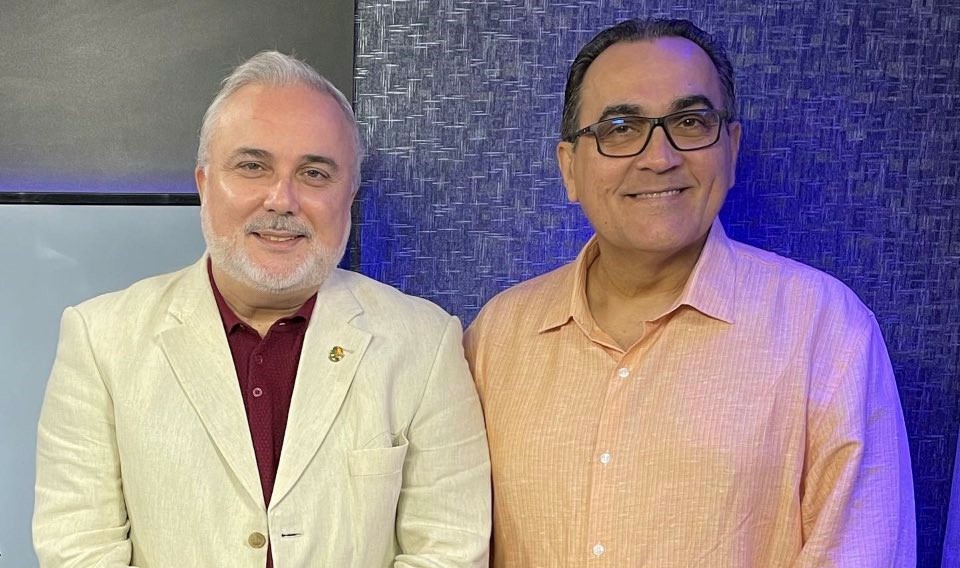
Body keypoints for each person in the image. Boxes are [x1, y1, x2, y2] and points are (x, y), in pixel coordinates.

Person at [465, 18, 915, 566]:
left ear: (731, 149)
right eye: (620, 127)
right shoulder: (497, 337)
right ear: (570, 168)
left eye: (691, 121)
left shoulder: (826, 329)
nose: (660, 157)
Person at [33, 51, 491, 567]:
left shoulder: (425, 342)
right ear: (204, 184)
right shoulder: (100, 339)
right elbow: (79, 549)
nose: (282, 199)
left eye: (315, 173)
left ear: (350, 196)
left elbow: (450, 549)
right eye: (253, 166)